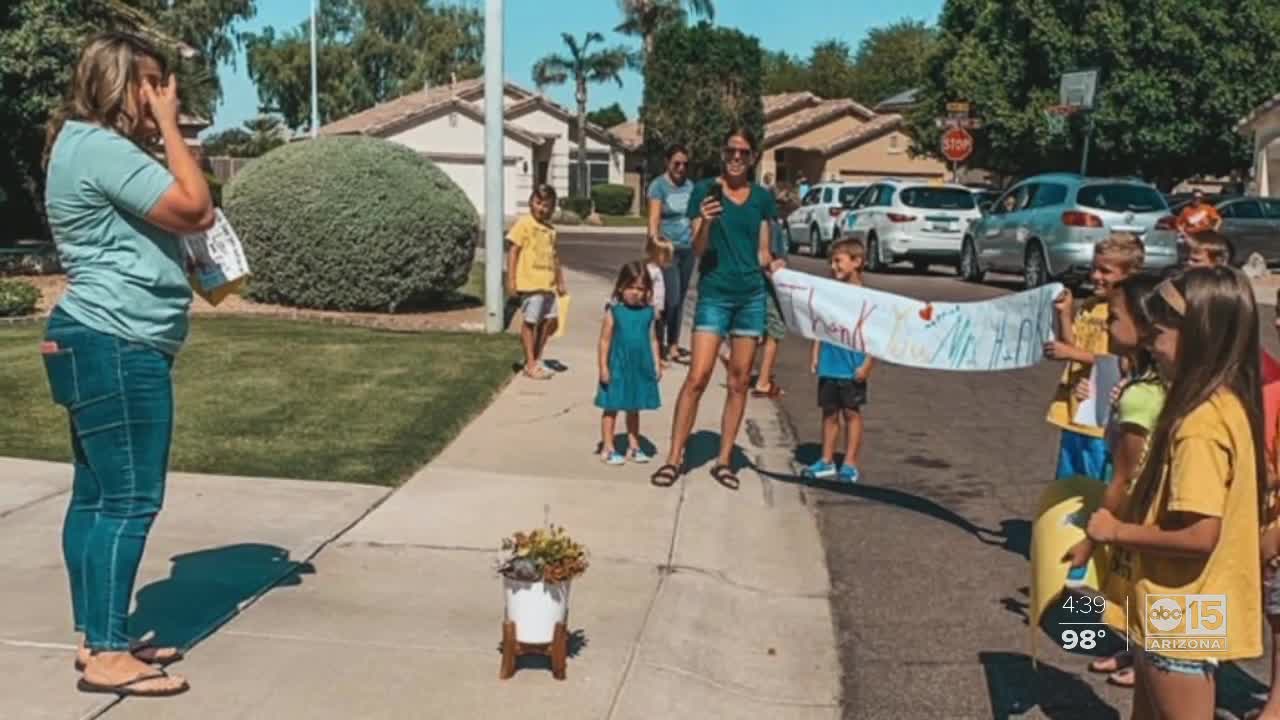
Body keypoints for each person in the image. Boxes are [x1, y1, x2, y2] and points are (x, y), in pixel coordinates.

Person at [41, 32, 217, 697]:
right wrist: (174, 128)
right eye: (153, 83)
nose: (161, 94)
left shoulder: (82, 147)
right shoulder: (101, 147)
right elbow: (195, 206)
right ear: (122, 84)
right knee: (131, 498)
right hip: (116, 341)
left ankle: (97, 635)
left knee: (95, 496)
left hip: (91, 336)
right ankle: (110, 651)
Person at [1085, 268, 1265, 717]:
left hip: (1181, 613)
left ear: (1199, 334)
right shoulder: (1221, 404)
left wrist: (1114, 530)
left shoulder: (1200, 426)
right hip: (1178, 608)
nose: (1151, 334)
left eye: (1163, 325)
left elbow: (1200, 536)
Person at [649, 127, 784, 490]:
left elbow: (763, 249)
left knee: (739, 380)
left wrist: (775, 265)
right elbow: (697, 248)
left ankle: (724, 461)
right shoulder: (705, 191)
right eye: (730, 152)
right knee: (698, 376)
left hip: (751, 298)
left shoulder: (761, 199)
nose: (736, 158)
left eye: (743, 152)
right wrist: (706, 220)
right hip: (714, 295)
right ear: (722, 155)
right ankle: (674, 457)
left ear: (753, 157)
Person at [1064, 275, 1166, 689]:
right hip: (1172, 543)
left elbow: (1125, 475)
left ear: (1147, 329)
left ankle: (1147, 660)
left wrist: (1091, 540)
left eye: (1115, 317)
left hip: (1152, 532)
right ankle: (1142, 657)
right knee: (1184, 658)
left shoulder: (1141, 396)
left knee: (1178, 672)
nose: (1105, 325)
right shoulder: (1153, 387)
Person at [1043, 233, 1146, 483]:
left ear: (1129, 273)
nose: (1096, 276)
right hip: (1075, 408)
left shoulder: (1128, 313)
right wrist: (1065, 315)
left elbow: (1123, 360)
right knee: (1068, 483)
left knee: (1094, 485)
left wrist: (1072, 353)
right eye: (1093, 268)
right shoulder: (1090, 305)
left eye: (1105, 271)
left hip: (1101, 416)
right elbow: (1073, 345)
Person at [802, 239, 874, 482]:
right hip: (829, 363)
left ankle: (850, 462)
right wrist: (815, 353)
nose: (834, 267)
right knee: (829, 412)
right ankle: (826, 460)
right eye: (831, 262)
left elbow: (876, 337)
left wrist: (867, 365)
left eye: (839, 261)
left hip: (853, 366)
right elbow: (821, 326)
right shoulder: (829, 294)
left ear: (857, 262)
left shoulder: (867, 298)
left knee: (851, 413)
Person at [595, 261, 662, 465]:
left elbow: (653, 339)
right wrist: (603, 367)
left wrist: (657, 363)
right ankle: (608, 446)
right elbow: (604, 340)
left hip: (640, 366)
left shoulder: (649, 312)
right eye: (631, 287)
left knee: (634, 407)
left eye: (641, 288)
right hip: (618, 365)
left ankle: (634, 446)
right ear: (621, 287)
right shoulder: (614, 311)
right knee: (612, 406)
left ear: (648, 290)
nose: (635, 292)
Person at [507, 184, 566, 380]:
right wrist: (511, 280)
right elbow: (513, 251)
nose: (541, 208)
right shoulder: (524, 224)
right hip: (530, 284)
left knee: (551, 322)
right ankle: (530, 363)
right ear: (531, 202)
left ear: (552, 208)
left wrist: (560, 280)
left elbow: (555, 256)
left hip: (547, 284)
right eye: (538, 202)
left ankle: (537, 358)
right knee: (530, 322)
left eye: (546, 205)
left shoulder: (551, 230)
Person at [647, 144, 695, 364]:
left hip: (687, 248)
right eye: (677, 163)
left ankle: (673, 343)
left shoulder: (690, 187)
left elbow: (695, 216)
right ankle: (659, 340)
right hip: (667, 250)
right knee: (669, 298)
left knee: (681, 296)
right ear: (668, 162)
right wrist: (654, 244)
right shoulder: (658, 186)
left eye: (685, 164)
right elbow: (654, 220)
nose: (681, 168)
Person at [644, 235, 673, 365]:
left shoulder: (656, 269)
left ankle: (657, 356)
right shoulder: (651, 270)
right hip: (651, 307)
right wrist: (653, 306)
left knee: (658, 332)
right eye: (664, 255)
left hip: (657, 307)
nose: (667, 259)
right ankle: (658, 357)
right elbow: (648, 290)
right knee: (655, 334)